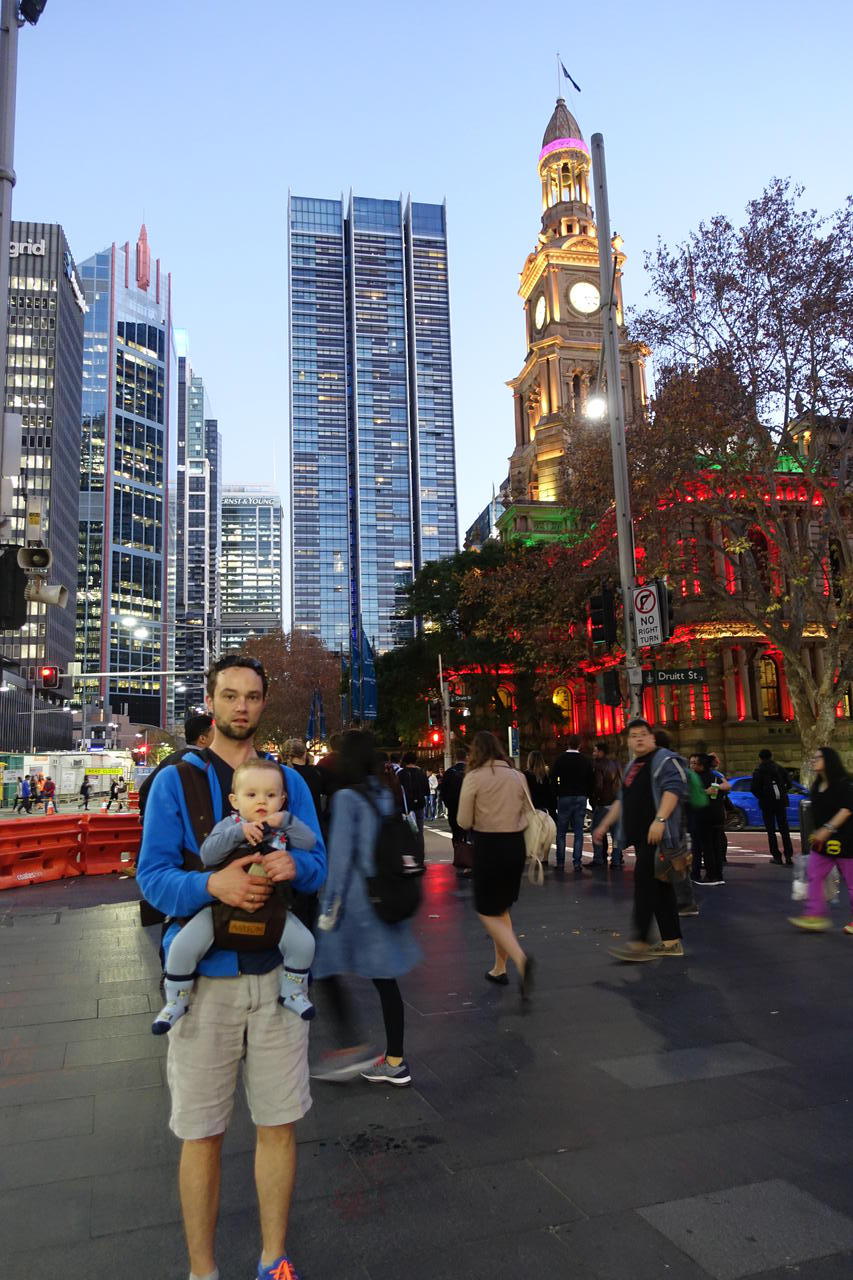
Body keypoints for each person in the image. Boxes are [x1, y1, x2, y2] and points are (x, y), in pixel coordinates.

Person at [136, 653, 326, 1280]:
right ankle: (203, 1270)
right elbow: (152, 878)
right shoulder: (176, 780)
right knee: (202, 1133)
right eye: (229, 695)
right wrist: (211, 885)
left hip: (275, 978)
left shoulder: (288, 782)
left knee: (279, 1123)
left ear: (264, 703)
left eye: (251, 696)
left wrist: (298, 867)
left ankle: (274, 1259)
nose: (241, 706)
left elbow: (318, 864)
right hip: (205, 989)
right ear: (210, 701)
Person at [151, 758, 320, 1034]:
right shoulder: (231, 824)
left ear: (282, 800)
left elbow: (310, 843)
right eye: (251, 795)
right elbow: (208, 854)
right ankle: (176, 999)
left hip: (271, 908)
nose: (261, 801)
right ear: (235, 800)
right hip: (220, 909)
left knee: (304, 943)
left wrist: (287, 822)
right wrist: (238, 833)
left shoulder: (282, 829)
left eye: (271, 795)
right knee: (183, 946)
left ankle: (292, 991)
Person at [312, 729, 422, 1086]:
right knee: (385, 980)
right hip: (386, 895)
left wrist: (329, 908)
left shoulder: (346, 799)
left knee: (324, 967)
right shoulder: (382, 792)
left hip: (357, 904)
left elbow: (341, 858)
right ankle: (394, 1059)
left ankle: (351, 1048)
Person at [593, 718, 687, 962]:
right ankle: (671, 942)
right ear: (628, 741)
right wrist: (604, 824)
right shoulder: (633, 766)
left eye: (643, 734)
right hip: (641, 838)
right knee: (660, 887)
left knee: (645, 886)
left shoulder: (664, 760)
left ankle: (639, 943)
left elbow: (673, 789)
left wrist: (660, 819)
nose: (639, 739)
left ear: (652, 737)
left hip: (658, 837)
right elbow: (622, 800)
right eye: (634, 735)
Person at [456, 731, 535, 995]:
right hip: (515, 845)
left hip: (489, 846)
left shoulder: (474, 777)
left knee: (484, 909)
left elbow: (463, 821)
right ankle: (499, 968)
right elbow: (528, 811)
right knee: (501, 908)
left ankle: (521, 960)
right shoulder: (518, 776)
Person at [789, 746, 853, 932]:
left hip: (846, 841)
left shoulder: (843, 784)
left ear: (829, 761)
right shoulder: (817, 786)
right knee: (814, 875)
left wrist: (827, 829)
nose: (813, 760)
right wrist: (818, 833)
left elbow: (847, 810)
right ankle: (814, 916)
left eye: (818, 757)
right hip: (823, 843)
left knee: (851, 882)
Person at [138, 712, 214, 820]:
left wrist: (148, 815)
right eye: (216, 734)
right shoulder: (204, 762)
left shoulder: (171, 758)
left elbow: (145, 789)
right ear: (202, 739)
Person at [551, 734, 595, 872]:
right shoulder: (585, 760)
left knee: (561, 832)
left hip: (564, 796)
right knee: (578, 831)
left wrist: (557, 793)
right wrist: (587, 794)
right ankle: (577, 862)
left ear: (568, 744)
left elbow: (553, 778)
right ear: (579, 745)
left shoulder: (560, 759)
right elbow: (591, 780)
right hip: (581, 796)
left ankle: (560, 862)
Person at [751, 748, 794, 865]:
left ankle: (777, 856)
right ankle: (788, 856)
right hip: (780, 802)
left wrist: (762, 796)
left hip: (767, 803)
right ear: (771, 756)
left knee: (771, 831)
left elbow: (754, 788)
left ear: (760, 758)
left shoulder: (759, 771)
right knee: (784, 830)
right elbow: (789, 783)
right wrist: (783, 791)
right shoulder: (779, 768)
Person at [693, 753, 727, 885]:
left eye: (695, 763)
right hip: (717, 814)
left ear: (702, 765)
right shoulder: (715, 777)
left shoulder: (697, 778)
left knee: (707, 847)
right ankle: (718, 874)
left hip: (704, 815)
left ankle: (710, 875)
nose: (693, 766)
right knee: (716, 845)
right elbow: (725, 789)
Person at [590, 741, 623, 868]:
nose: (593, 753)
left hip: (603, 803)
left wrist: (595, 800)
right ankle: (616, 860)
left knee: (596, 831)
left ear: (601, 752)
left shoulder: (599, 766)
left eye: (595, 751)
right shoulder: (617, 764)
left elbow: (598, 786)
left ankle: (598, 858)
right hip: (616, 803)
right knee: (616, 834)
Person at [440, 748, 472, 874]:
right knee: (469, 833)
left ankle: (458, 855)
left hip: (453, 807)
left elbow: (443, 791)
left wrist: (448, 804)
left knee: (456, 832)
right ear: (466, 757)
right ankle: (470, 857)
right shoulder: (471, 771)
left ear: (455, 758)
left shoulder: (449, 772)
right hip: (469, 806)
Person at [284, 738, 323, 825]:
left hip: (290, 823)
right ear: (305, 753)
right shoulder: (315, 773)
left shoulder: (282, 772)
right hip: (313, 821)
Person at [399, 751, 429, 852]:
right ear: (415, 760)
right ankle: (420, 854)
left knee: (407, 831)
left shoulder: (401, 774)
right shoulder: (421, 773)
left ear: (405, 761)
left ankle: (409, 853)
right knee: (419, 831)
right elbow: (426, 791)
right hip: (419, 804)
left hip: (406, 807)